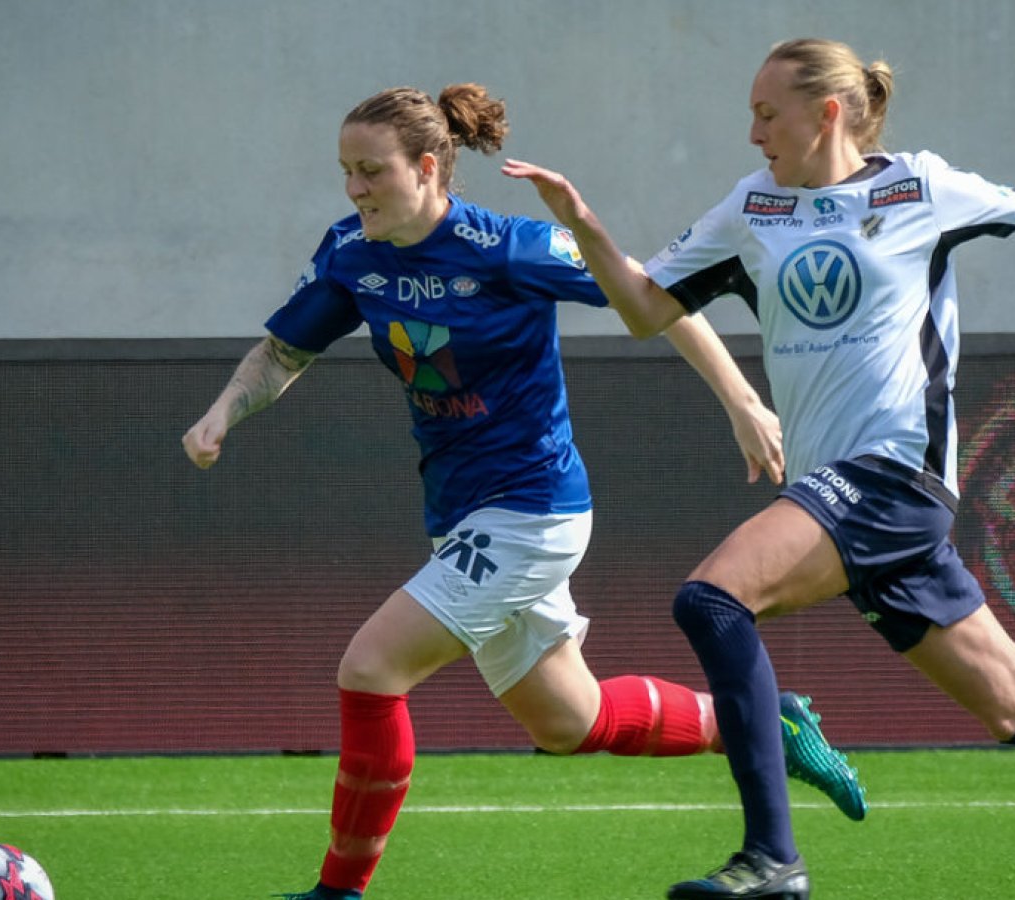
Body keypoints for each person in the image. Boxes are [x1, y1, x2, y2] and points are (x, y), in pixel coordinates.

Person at [505, 37, 1015, 900]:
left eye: (765, 113)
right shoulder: (753, 208)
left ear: (827, 113)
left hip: (896, 477)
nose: (752, 133)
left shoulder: (918, 187)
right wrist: (584, 225)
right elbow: (643, 308)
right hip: (840, 497)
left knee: (713, 599)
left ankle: (772, 858)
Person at [182, 84, 866, 900]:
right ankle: (761, 723)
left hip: (533, 511)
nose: (354, 188)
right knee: (567, 722)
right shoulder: (351, 253)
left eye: (371, 171)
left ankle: (338, 893)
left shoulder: (507, 247)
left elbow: (651, 295)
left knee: (370, 668)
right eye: (346, 172)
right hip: (462, 518)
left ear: (429, 168)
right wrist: (224, 409)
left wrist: (744, 401)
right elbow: (283, 352)